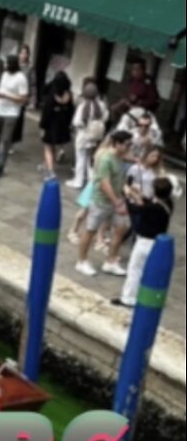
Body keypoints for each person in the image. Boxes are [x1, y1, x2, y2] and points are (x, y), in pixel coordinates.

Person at [75, 131, 134, 278]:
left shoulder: (119, 155)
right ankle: (82, 261)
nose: (129, 147)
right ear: (117, 143)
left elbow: (128, 158)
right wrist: (118, 202)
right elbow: (104, 184)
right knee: (90, 231)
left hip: (117, 200)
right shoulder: (106, 159)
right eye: (127, 144)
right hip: (101, 201)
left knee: (121, 229)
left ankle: (111, 261)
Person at [115, 178, 174, 308]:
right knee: (143, 270)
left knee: (134, 269)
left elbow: (136, 209)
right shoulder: (167, 204)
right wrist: (136, 194)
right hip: (157, 243)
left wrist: (126, 195)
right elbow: (146, 203)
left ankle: (128, 298)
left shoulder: (153, 209)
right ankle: (136, 295)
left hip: (145, 242)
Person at [0, 55, 29, 177]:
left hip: (11, 112)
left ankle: (1, 165)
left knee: (6, 139)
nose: (5, 66)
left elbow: (24, 98)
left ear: (13, 64)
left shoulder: (21, 78)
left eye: (7, 64)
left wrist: (7, 97)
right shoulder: (4, 75)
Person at [69, 79, 108, 189]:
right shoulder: (102, 105)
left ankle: (78, 181)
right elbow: (105, 118)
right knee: (91, 159)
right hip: (96, 136)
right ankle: (91, 181)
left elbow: (76, 122)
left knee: (81, 158)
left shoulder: (83, 106)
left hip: (83, 135)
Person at [38, 73, 75, 181]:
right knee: (53, 146)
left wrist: (42, 126)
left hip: (51, 125)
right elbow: (71, 112)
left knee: (48, 147)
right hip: (62, 125)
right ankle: (48, 165)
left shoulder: (52, 95)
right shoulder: (69, 95)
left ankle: (50, 171)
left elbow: (46, 113)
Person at [9, 46, 35, 155]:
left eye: (25, 53)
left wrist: (32, 100)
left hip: (21, 98)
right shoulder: (14, 64)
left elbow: (33, 84)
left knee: (17, 122)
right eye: (22, 53)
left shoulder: (30, 68)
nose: (23, 55)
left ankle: (11, 143)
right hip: (10, 95)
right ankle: (5, 140)